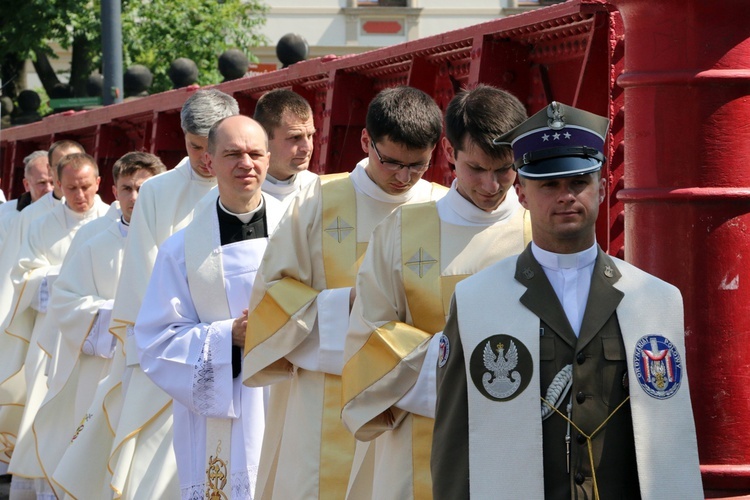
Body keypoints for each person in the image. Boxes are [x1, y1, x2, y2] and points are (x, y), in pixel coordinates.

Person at [430, 102, 703, 499]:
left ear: (603, 186)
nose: (566, 196)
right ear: (521, 193)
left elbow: (671, 433)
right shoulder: (477, 300)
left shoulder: (656, 300)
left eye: (578, 182)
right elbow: (454, 439)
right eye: (548, 185)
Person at [243, 86, 447, 499]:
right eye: (391, 162)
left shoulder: (442, 207)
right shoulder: (318, 199)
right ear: (365, 141)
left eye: (418, 165)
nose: (403, 178)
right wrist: (345, 306)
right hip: (323, 404)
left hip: (407, 405)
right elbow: (269, 298)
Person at [341, 85, 529, 499]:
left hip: (517, 438)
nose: (491, 185)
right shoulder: (402, 230)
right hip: (416, 439)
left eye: (505, 169)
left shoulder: (538, 235)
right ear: (448, 151)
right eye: (476, 168)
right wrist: (462, 370)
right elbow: (368, 333)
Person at [136, 116, 284, 498]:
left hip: (290, 396)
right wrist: (227, 336)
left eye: (254, 153)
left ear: (268, 158)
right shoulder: (181, 250)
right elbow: (155, 342)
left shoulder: (299, 231)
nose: (245, 164)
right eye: (233, 153)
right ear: (211, 162)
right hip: (228, 404)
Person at [107, 88, 238, 499]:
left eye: (211, 147)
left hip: (239, 352)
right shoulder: (158, 193)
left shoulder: (249, 183)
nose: (205, 158)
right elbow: (143, 282)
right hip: (177, 355)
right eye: (196, 146)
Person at [31, 152, 165, 499]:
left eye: (143, 189)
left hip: (162, 370)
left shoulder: (177, 235)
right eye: (127, 189)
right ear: (115, 191)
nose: (134, 198)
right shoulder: (96, 240)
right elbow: (66, 300)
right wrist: (115, 317)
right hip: (105, 368)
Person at [5, 153, 109, 499]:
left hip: (99, 338)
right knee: (48, 412)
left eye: (85, 187)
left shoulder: (114, 220)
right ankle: (47, 486)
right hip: (50, 339)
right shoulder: (40, 225)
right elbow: (21, 276)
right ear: (59, 187)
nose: (80, 196)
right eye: (71, 189)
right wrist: (60, 282)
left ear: (98, 182)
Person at [0, 141, 84, 471]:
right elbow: (16, 275)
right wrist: (64, 280)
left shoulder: (107, 216)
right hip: (45, 330)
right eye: (62, 171)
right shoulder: (32, 219)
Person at [253, 88, 318, 207]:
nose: (307, 147)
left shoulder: (319, 190)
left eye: (310, 136)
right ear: (263, 138)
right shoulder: (232, 198)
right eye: (295, 137)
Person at [0, 151, 54, 246]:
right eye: (42, 183)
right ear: (27, 185)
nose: (49, 189)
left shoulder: (70, 213)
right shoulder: (4, 213)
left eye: (52, 182)